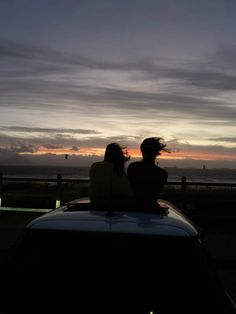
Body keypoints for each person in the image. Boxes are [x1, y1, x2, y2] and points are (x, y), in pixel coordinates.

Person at [127, 137, 169, 211]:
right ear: (157, 152)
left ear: (142, 150)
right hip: (153, 208)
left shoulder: (133, 167)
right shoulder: (162, 173)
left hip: (134, 207)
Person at [89, 143, 134, 211]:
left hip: (95, 207)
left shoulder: (95, 166)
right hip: (117, 208)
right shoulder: (118, 171)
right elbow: (128, 193)